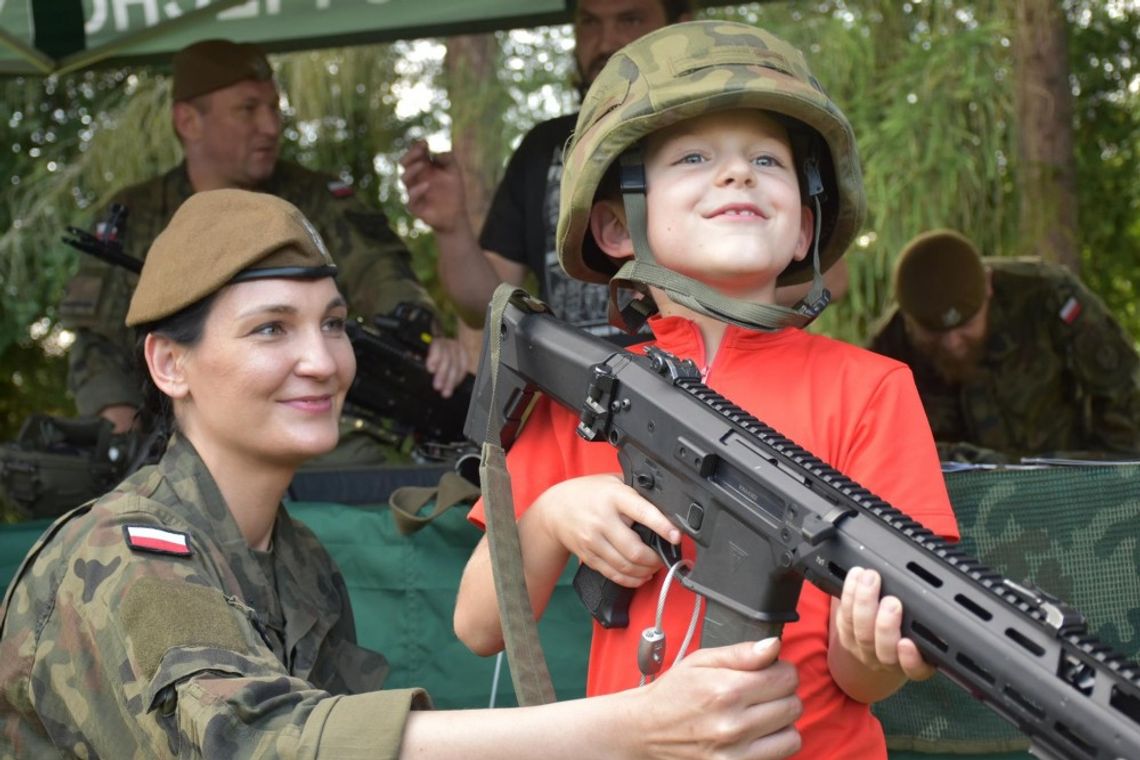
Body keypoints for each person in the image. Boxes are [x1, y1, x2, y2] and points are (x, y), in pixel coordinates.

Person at [0, 189, 805, 759]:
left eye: (334, 325)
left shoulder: (297, 558)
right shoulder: (125, 555)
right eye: (270, 329)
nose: (320, 362)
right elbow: (254, 744)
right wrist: (632, 729)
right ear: (170, 363)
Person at [453, 21, 960, 760]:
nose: (738, 175)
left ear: (802, 229)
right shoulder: (585, 392)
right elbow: (478, 626)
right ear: (617, 225)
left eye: (767, 159)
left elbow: (864, 680)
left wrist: (873, 649)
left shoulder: (871, 388)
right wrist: (552, 516)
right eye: (694, 157)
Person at [59, 38, 467, 439]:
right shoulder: (136, 215)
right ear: (188, 122)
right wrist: (119, 430)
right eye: (248, 110)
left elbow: (380, 272)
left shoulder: (316, 199)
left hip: (301, 418)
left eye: (273, 107)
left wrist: (423, 338)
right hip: (168, 433)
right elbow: (97, 341)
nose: (270, 127)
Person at [400, 0, 692, 340]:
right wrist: (451, 228)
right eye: (590, 23)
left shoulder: (718, 138)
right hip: (577, 389)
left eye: (630, 19)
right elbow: (486, 307)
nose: (607, 42)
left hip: (702, 387)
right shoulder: (543, 145)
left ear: (680, 27)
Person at [867, 228, 1140, 463]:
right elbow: (878, 445)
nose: (952, 344)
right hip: (958, 502)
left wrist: (1106, 483)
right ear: (908, 318)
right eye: (933, 334)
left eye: (966, 327)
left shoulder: (1047, 297)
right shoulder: (886, 352)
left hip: (1062, 488)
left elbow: (1125, 394)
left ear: (988, 286)